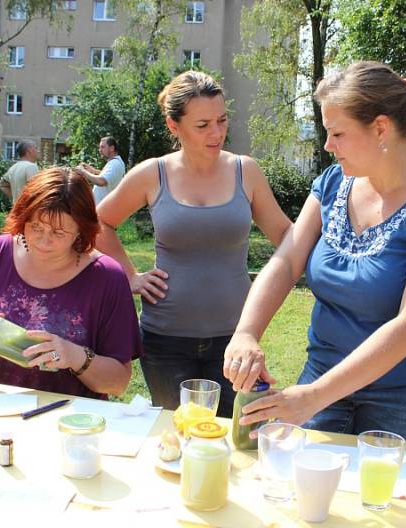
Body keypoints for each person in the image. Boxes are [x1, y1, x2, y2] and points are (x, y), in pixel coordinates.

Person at [223, 61, 406, 442]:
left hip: (404, 392)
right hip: (324, 370)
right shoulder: (332, 184)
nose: (328, 146)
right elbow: (287, 260)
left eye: (337, 133)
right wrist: (246, 333)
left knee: (378, 499)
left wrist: (312, 398)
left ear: (380, 128)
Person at [95, 71, 291, 417]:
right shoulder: (151, 174)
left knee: (235, 440)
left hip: (235, 340)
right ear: (174, 126)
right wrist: (130, 276)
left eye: (222, 120)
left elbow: (288, 237)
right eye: (202, 125)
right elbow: (99, 223)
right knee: (177, 436)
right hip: (165, 340)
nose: (216, 133)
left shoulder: (247, 172)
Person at [0, 168, 141, 399]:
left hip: (62, 421)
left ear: (81, 230)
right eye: (35, 226)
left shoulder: (106, 278)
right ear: (23, 217)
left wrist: (74, 356)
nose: (44, 241)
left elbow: (118, 382)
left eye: (59, 232)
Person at [74, 136, 126, 205]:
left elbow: (102, 181)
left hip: (104, 210)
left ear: (112, 148)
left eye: (103, 147)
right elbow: (108, 176)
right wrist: (93, 170)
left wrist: (83, 171)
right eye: (99, 147)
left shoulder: (115, 163)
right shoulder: (114, 162)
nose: (100, 150)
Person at [0, 140, 39, 204]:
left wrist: (16, 199)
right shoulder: (31, 166)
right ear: (29, 150)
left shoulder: (13, 168)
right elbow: (35, 191)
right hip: (29, 210)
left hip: (17, 210)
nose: (38, 151)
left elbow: (2, 185)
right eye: (36, 148)